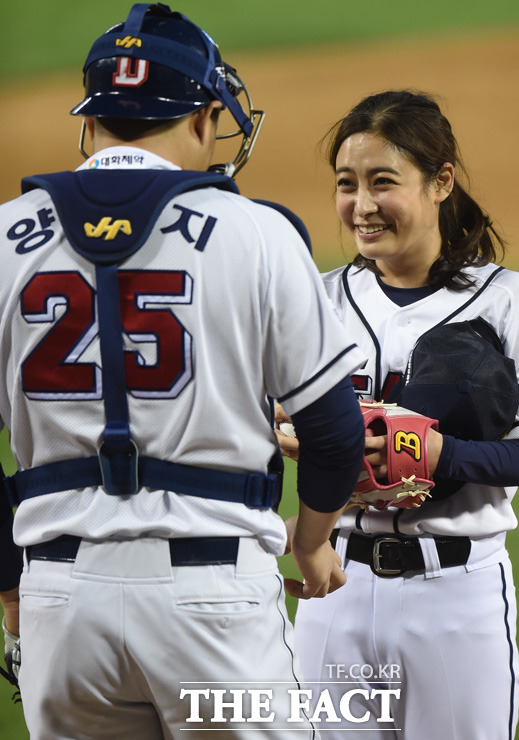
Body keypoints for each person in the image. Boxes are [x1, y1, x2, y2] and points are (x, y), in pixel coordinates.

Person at [0, 4, 367, 738]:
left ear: (92, 123)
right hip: (214, 600)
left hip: (58, 602)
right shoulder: (259, 232)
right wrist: (312, 540)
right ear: (203, 118)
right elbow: (332, 431)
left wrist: (13, 591)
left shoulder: (4, 239)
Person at [279, 90, 519, 739]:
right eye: (346, 183)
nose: (361, 204)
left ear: (441, 181)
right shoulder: (317, 300)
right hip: (337, 590)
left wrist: (439, 454)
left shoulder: (509, 300)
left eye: (382, 182)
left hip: (456, 596)